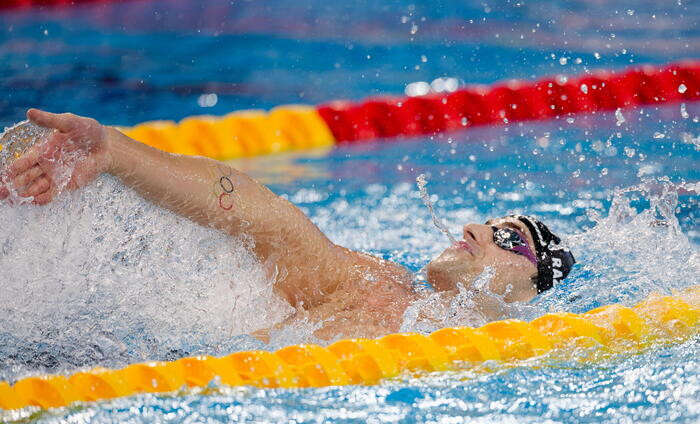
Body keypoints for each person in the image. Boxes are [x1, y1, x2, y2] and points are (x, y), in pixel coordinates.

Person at [0, 109, 575, 341]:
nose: (475, 227)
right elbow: (264, 218)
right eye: (487, 221)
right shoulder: (382, 290)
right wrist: (118, 155)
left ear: (529, 291)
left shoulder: (539, 347)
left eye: (508, 238)